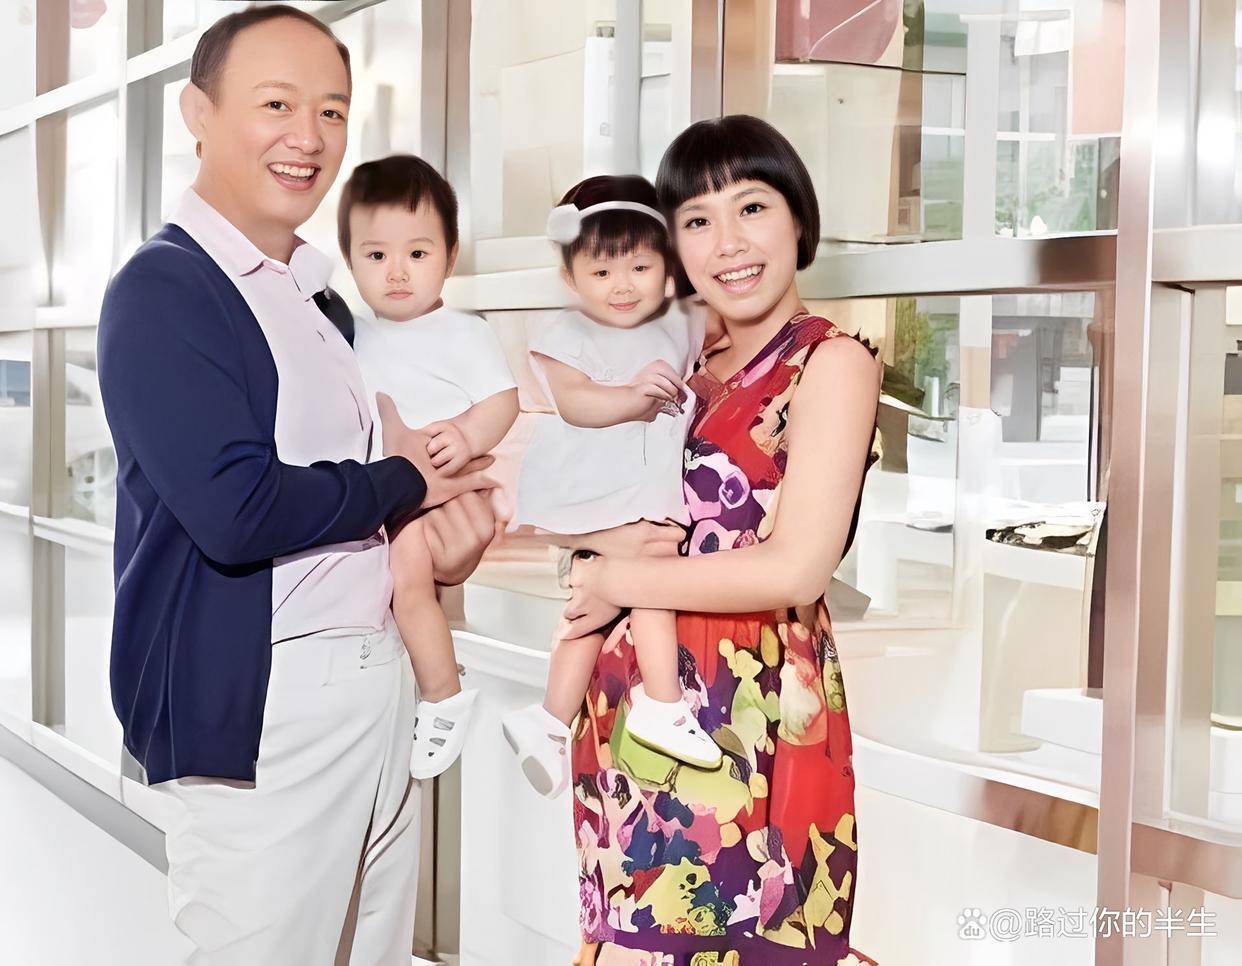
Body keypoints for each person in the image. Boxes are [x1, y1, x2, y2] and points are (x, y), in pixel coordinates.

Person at [96, 8, 494, 962]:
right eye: (276, 104)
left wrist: (442, 546)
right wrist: (403, 481)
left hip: (379, 682)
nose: (308, 136)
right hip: (269, 705)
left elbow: (358, 503)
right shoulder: (167, 288)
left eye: (332, 110)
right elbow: (237, 510)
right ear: (198, 113)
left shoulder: (320, 301)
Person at [559, 116, 883, 965]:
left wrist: (618, 579)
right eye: (698, 220)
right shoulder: (680, 372)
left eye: (753, 207)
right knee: (635, 940)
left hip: (749, 718)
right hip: (635, 706)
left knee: (739, 939)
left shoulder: (829, 363)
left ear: (798, 219)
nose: (728, 242)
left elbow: (797, 567)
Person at [501, 175, 724, 800]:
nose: (622, 286)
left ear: (667, 265)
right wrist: (630, 397)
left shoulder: (681, 319)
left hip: (637, 485)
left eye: (640, 267)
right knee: (651, 569)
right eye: (601, 272)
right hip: (591, 487)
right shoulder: (569, 332)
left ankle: (549, 721)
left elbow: (722, 338)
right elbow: (575, 404)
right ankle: (663, 703)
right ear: (570, 278)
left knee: (592, 604)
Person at [338, 154, 519, 779]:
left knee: (408, 575)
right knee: (405, 582)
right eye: (375, 254)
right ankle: (435, 684)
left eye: (417, 253)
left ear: (451, 254)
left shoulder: (463, 333)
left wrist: (466, 436)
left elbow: (502, 400)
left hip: (435, 492)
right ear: (350, 259)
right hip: (385, 496)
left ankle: (443, 696)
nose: (397, 272)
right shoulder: (351, 335)